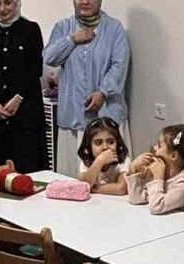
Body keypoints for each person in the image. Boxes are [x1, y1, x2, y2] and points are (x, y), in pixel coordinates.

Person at [43, 0, 130, 171]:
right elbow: (50, 58)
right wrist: (72, 40)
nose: (85, 2)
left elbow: (119, 66)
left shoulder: (114, 29)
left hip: (107, 115)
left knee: (110, 176)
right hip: (73, 116)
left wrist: (103, 92)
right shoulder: (63, 27)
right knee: (72, 177)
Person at [0, 0, 46, 172]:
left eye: (8, 3)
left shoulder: (31, 30)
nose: (2, 9)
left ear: (17, 3)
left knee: (29, 173)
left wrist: (18, 97)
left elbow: (35, 68)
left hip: (25, 117)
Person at [126, 123, 184, 215]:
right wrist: (132, 169)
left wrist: (157, 179)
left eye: (159, 145)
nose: (154, 148)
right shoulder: (165, 175)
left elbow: (157, 207)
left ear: (174, 156)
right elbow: (136, 199)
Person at [76, 116, 128, 195]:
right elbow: (83, 186)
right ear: (89, 146)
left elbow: (121, 189)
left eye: (111, 142)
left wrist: (93, 189)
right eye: (98, 143)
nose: (105, 147)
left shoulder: (124, 160)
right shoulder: (87, 161)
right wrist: (99, 161)